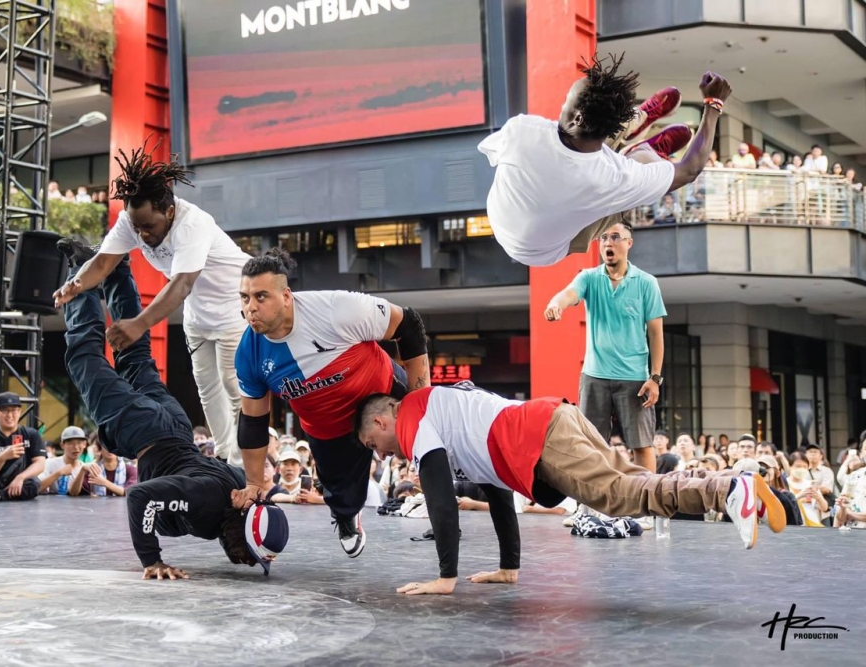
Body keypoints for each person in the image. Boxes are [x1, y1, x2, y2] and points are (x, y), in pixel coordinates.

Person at [354, 384, 785, 595]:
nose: (384, 454)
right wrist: (509, 567)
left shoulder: (411, 420)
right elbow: (499, 489)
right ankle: (731, 486)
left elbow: (440, 501)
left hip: (540, 435)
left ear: (381, 421)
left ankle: (729, 490)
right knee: (632, 481)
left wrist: (445, 578)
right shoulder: (443, 415)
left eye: (375, 445)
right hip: (553, 417)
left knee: (618, 496)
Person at [57, 246, 288, 579]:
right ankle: (81, 267)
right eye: (250, 554)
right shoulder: (207, 502)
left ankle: (120, 268)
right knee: (85, 359)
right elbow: (139, 496)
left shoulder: (240, 490)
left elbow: (258, 489)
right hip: (143, 430)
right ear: (243, 518)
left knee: (134, 353)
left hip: (175, 424)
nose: (243, 560)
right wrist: (152, 559)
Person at [53, 143, 251, 466]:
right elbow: (103, 262)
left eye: (149, 227)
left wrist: (139, 324)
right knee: (207, 390)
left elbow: (181, 285)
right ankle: (225, 456)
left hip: (232, 311)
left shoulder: (193, 225)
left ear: (169, 211)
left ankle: (243, 464)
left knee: (233, 386)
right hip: (198, 319)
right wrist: (75, 284)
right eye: (137, 227)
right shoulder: (133, 221)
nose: (142, 234)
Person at [231, 248, 431, 558]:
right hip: (327, 427)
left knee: (434, 445)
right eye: (244, 298)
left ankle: (444, 511)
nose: (251, 308)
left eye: (261, 297)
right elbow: (253, 422)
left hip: (382, 391)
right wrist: (255, 482)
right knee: (341, 497)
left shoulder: (337, 309)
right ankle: (346, 515)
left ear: (286, 296)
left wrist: (422, 401)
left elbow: (409, 324)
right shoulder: (249, 355)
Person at [477, 53, 731, 267]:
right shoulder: (615, 178)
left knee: (578, 145)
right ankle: (640, 145)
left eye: (566, 102)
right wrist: (713, 104)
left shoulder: (522, 130)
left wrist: (714, 102)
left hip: (523, 236)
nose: (561, 107)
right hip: (546, 246)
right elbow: (689, 169)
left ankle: (638, 131)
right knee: (625, 185)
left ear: (575, 117)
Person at [544, 219, 666, 475]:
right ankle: (589, 510)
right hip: (594, 376)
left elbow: (656, 334)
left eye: (615, 237)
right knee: (590, 445)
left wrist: (655, 377)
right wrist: (556, 304)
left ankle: (645, 508)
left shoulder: (646, 282)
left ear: (629, 243)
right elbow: (568, 294)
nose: (608, 243)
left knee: (642, 445)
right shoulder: (589, 277)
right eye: (604, 238)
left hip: (635, 378)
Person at [0, 392, 46, 503]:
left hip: (22, 481)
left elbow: (40, 464)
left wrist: (20, 478)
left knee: (34, 484)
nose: (10, 415)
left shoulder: (31, 434)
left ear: (20, 412)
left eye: (14, 410)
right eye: (5, 410)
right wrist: (3, 457)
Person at [39, 426, 89, 495]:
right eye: (71, 443)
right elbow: (37, 487)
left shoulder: (85, 469)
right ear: (62, 445)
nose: (76, 447)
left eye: (79, 443)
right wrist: (58, 473)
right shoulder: (50, 463)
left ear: (84, 444)